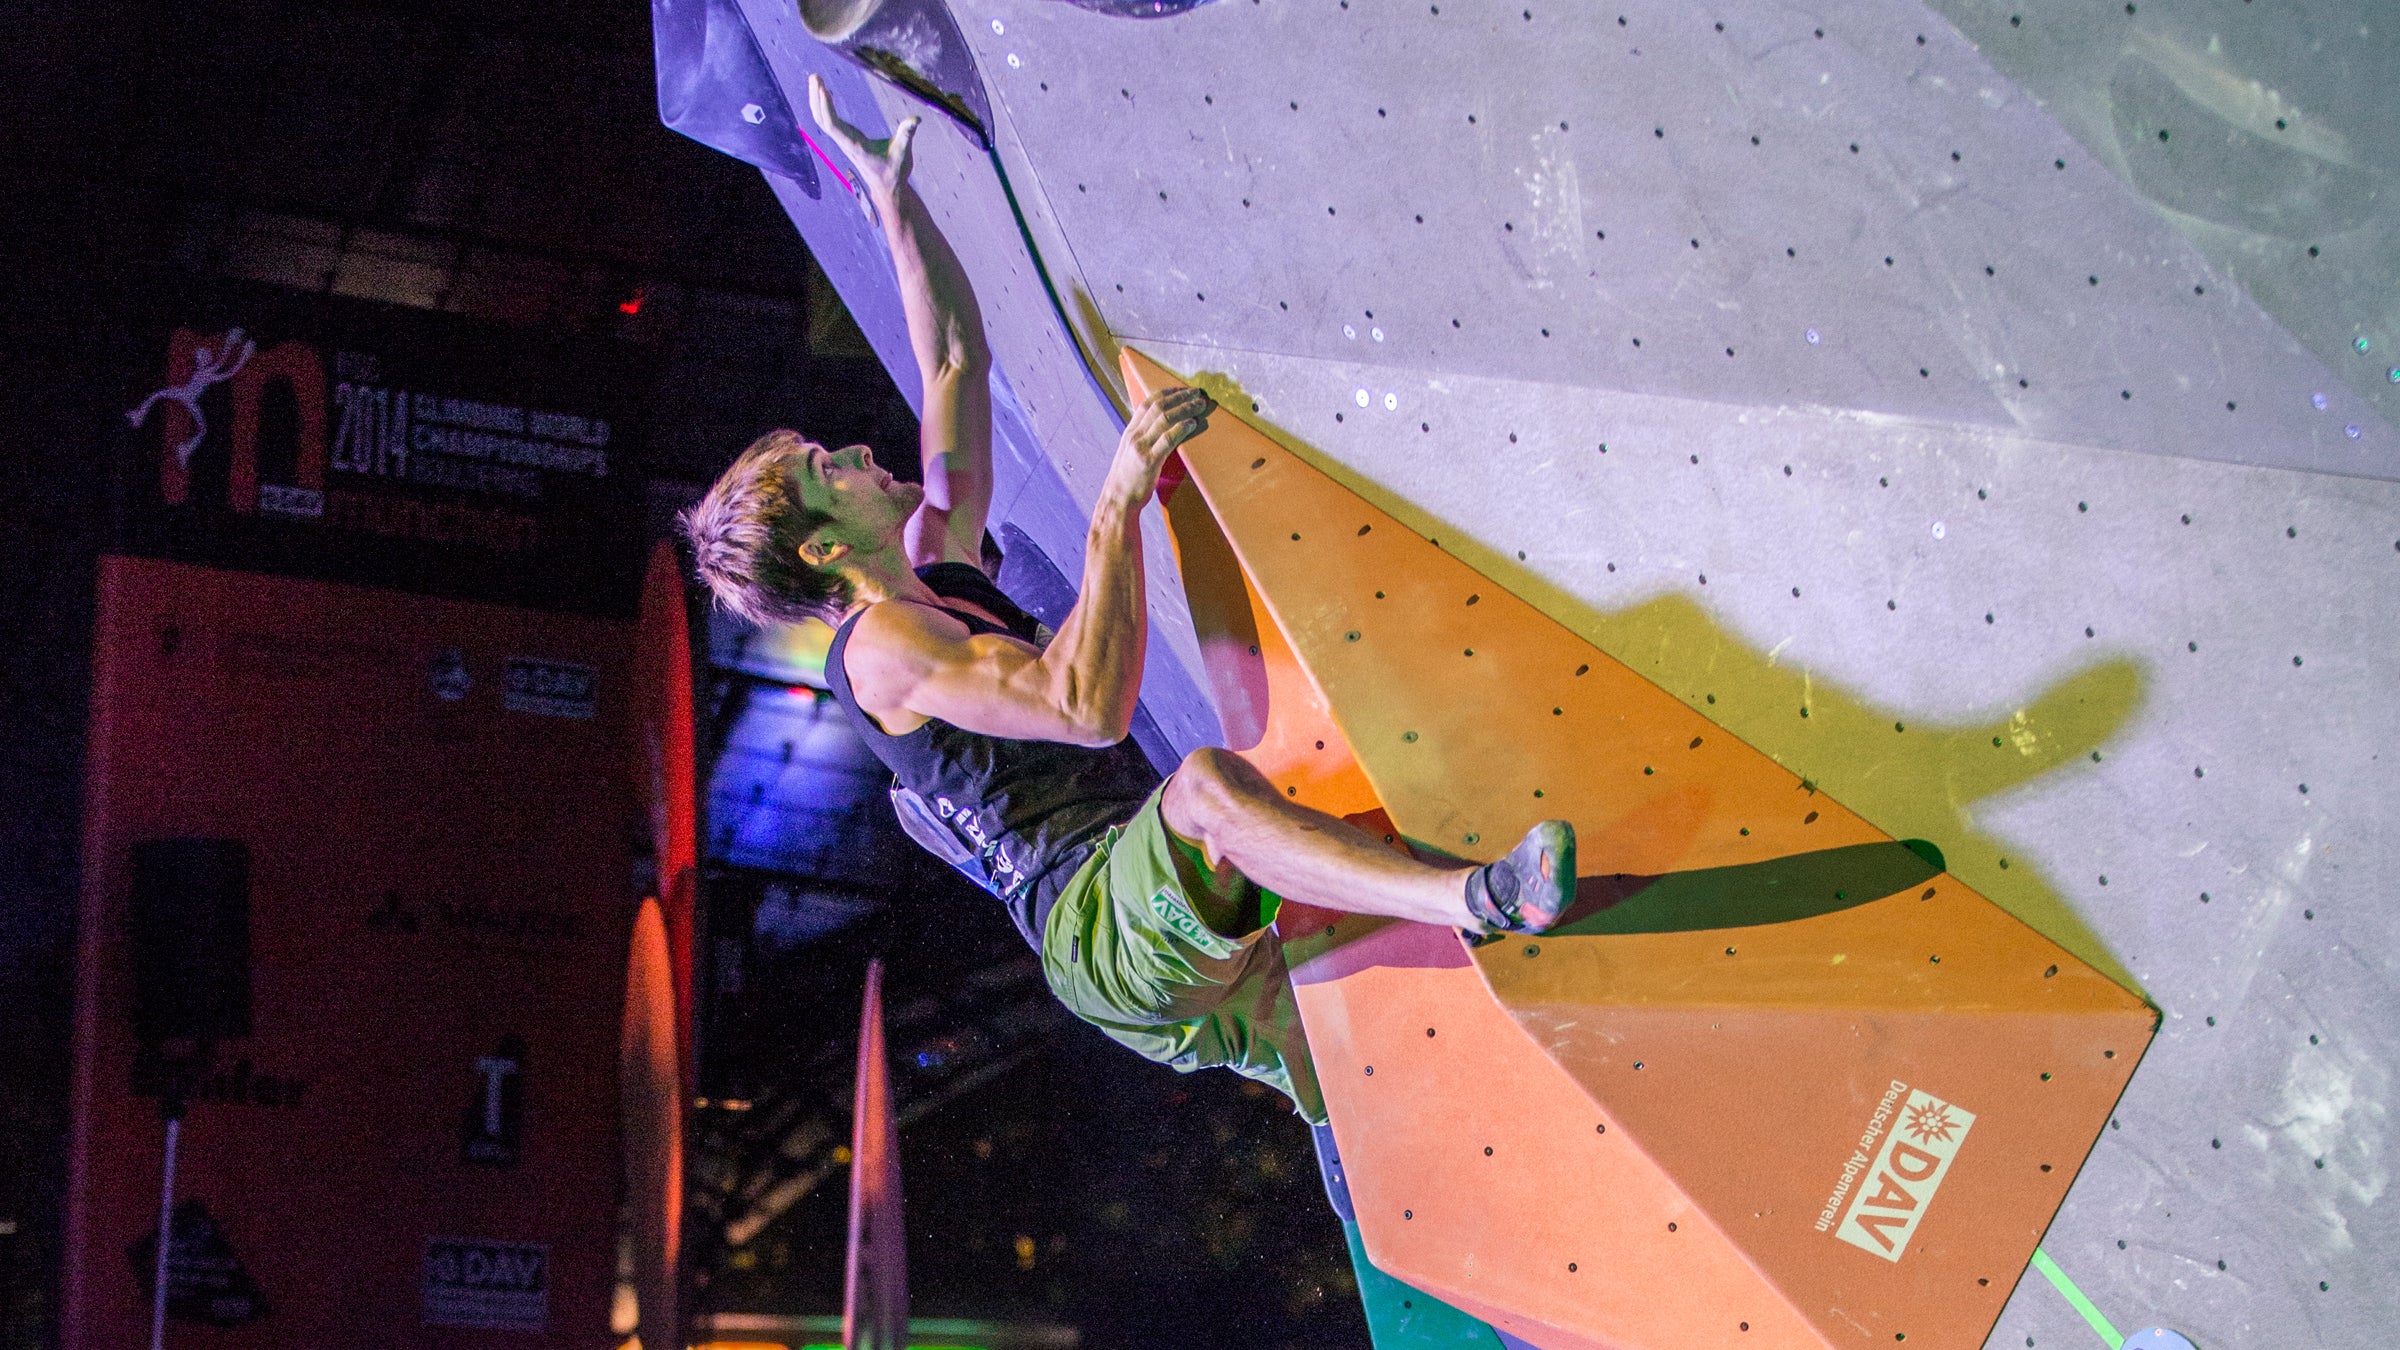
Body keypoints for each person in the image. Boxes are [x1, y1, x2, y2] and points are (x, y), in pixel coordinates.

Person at [680, 77, 1574, 1124]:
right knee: (1204, 789)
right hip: (1096, 930)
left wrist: (891, 204)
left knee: (1404, 1109)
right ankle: (1481, 901)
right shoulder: (879, 650)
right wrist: (1119, 496)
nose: (861, 452)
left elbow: (954, 363)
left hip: (1150, 913)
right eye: (832, 470)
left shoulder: (933, 565)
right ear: (826, 549)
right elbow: (1083, 706)